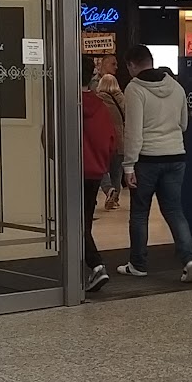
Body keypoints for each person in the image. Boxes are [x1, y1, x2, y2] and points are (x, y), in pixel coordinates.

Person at [119, 45, 192, 283]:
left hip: (147, 159)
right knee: (174, 211)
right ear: (151, 60)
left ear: (131, 65)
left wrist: (128, 165)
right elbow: (184, 124)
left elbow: (133, 131)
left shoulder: (134, 88)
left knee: (139, 213)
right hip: (175, 156)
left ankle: (138, 264)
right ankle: (189, 259)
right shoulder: (176, 86)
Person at [80, 65, 118, 294]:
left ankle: (96, 265)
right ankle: (91, 265)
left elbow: (50, 137)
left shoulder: (65, 104)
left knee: (76, 223)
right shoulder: (101, 106)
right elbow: (111, 140)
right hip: (95, 172)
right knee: (84, 219)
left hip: (74, 170)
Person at [96, 71, 127, 209]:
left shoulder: (98, 99)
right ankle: (115, 199)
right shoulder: (122, 99)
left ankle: (109, 189)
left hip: (104, 139)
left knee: (101, 168)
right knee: (117, 172)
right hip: (120, 140)